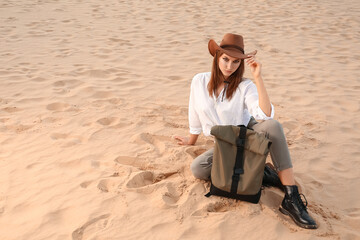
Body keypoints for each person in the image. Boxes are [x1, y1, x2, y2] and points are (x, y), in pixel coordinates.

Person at [174, 33, 317, 229]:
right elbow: (194, 111)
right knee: (198, 168)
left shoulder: (244, 86)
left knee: (273, 126)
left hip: (247, 133)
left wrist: (258, 78)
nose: (229, 66)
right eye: (225, 59)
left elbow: (264, 116)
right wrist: (191, 139)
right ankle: (264, 172)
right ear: (217, 58)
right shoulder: (199, 81)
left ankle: (291, 198)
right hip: (225, 142)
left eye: (235, 62)